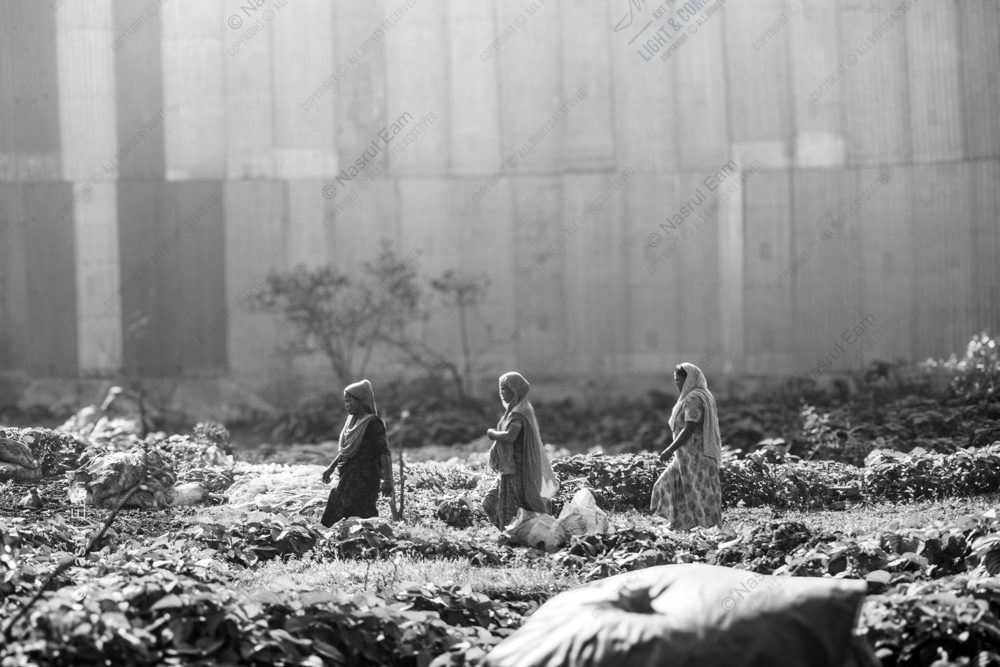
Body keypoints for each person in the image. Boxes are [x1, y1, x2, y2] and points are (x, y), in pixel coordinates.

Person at [650, 363, 723, 530]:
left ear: (690, 379)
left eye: (681, 381)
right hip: (686, 455)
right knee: (675, 485)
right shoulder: (703, 394)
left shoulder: (693, 398)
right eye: (676, 381)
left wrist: (670, 449)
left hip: (695, 455)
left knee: (699, 491)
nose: (678, 385)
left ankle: (706, 526)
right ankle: (683, 522)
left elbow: (689, 428)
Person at [483, 372, 559, 530]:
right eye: (501, 389)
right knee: (493, 502)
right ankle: (513, 532)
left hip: (517, 470)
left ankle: (520, 533)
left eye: (505, 389)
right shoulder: (520, 410)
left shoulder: (519, 413)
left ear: (516, 391)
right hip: (511, 467)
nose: (502, 392)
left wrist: (492, 434)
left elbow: (511, 436)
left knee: (511, 505)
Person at [320, 379, 394, 527]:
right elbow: (345, 450)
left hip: (366, 478)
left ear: (361, 401)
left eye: (350, 401)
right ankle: (332, 535)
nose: (347, 405)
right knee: (339, 504)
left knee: (360, 510)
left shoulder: (374, 423)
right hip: (349, 476)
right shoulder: (352, 422)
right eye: (345, 402)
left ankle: (371, 538)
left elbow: (383, 452)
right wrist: (331, 468)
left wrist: (387, 479)